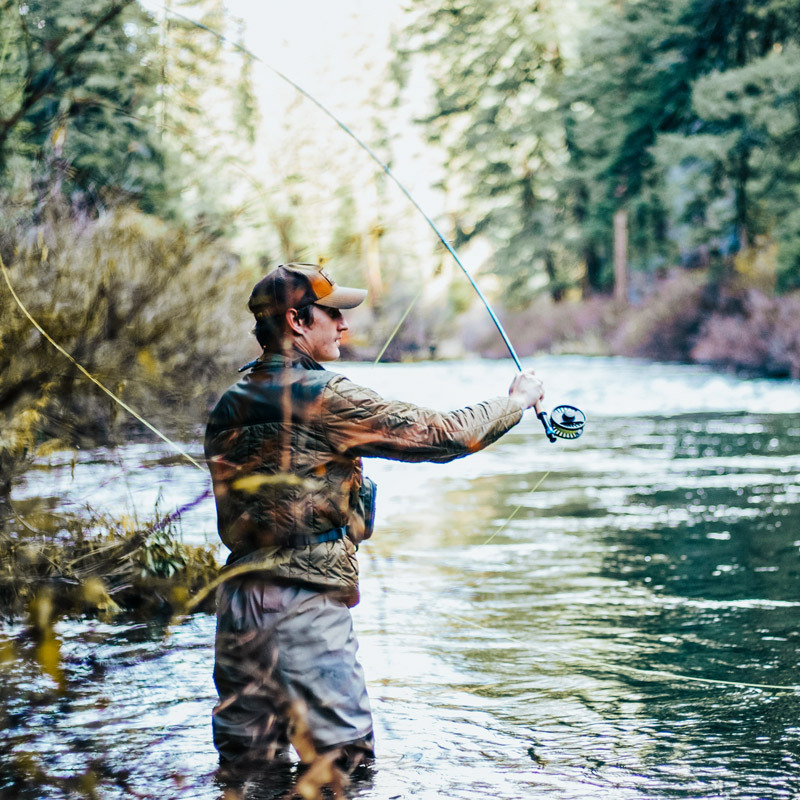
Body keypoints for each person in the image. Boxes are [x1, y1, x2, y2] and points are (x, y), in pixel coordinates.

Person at [205, 262, 544, 773]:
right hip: (302, 605)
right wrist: (514, 402)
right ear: (297, 321)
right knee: (342, 771)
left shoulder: (228, 404)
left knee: (248, 775)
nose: (343, 325)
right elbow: (441, 435)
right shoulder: (324, 396)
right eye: (333, 313)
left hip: (237, 607)